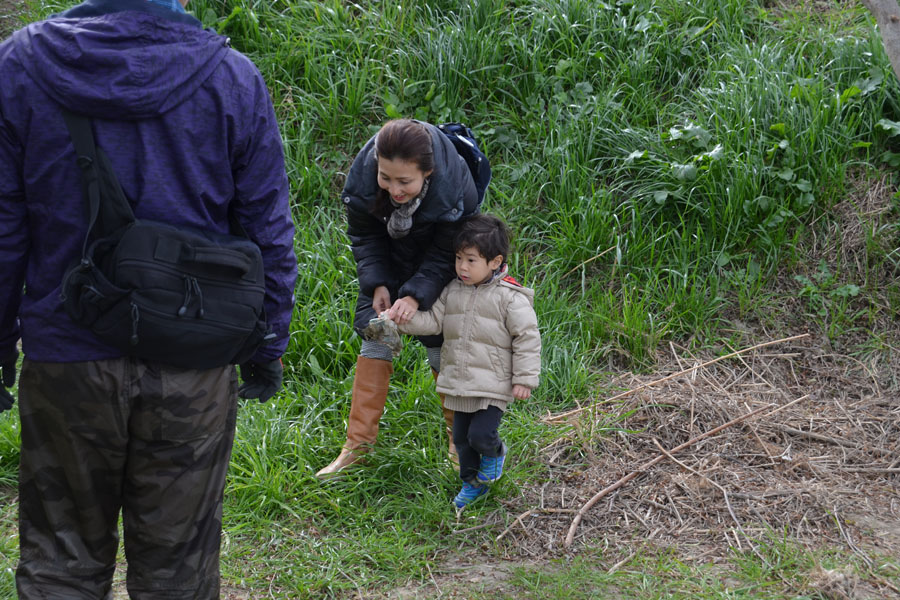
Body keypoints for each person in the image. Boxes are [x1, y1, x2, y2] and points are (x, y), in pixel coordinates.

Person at [0, 0, 297, 597]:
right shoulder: (231, 78)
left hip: (67, 361)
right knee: (178, 576)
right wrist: (267, 339)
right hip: (194, 362)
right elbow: (267, 229)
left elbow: (4, 230)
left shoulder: (19, 67)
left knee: (60, 563)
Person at [316, 118, 481, 477]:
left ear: (429, 172)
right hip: (389, 259)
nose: (394, 190)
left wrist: (415, 297)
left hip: (443, 263)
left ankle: (460, 445)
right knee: (376, 334)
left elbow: (445, 254)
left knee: (442, 342)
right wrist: (377, 283)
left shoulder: (455, 189)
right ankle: (356, 449)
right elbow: (364, 236)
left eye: (405, 181)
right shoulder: (364, 178)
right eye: (386, 178)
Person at [388, 214, 541, 508]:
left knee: (481, 435)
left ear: (495, 262)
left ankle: (495, 454)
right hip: (459, 380)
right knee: (461, 439)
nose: (462, 267)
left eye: (471, 260)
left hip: (493, 383)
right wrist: (399, 321)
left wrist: (524, 379)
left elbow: (527, 338)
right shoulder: (452, 290)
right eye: (459, 258)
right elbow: (433, 321)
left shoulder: (511, 297)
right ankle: (472, 485)